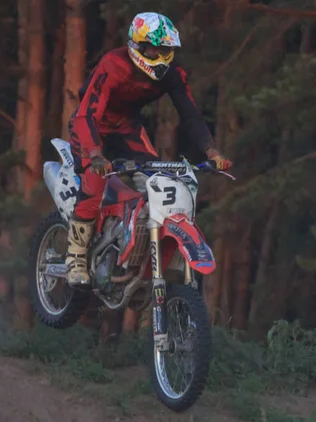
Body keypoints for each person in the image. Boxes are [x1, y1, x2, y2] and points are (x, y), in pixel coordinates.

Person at [65, 12, 232, 287]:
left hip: (125, 127)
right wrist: (95, 153)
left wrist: (211, 150)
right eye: (158, 49)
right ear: (139, 46)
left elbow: (190, 115)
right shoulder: (113, 64)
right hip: (91, 125)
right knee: (94, 183)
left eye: (168, 50)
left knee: (157, 180)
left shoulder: (173, 74)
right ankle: (76, 256)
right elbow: (87, 113)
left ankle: (140, 251)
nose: (164, 55)